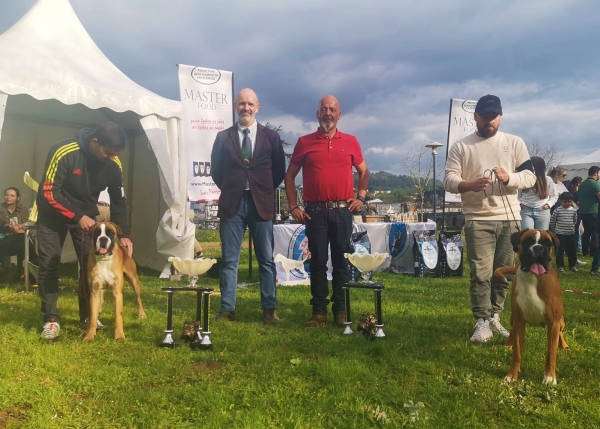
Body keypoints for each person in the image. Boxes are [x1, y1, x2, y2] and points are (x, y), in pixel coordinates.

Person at [443, 94, 536, 343]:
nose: (489, 121)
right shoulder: (461, 146)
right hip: (477, 218)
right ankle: (482, 321)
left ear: (500, 116)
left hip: (509, 219)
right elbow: (448, 179)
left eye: (493, 117)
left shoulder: (514, 142)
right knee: (480, 273)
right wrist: (469, 184)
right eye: (484, 117)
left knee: (504, 272)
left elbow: (530, 177)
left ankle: (495, 315)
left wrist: (509, 178)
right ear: (475, 117)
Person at [36, 122, 133, 340]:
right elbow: (49, 191)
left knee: (90, 266)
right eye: (107, 153)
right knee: (50, 265)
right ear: (95, 142)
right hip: (52, 215)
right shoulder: (64, 151)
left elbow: (119, 200)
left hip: (86, 218)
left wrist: (125, 234)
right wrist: (77, 216)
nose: (111, 158)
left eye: (115, 154)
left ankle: (89, 317)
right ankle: (51, 320)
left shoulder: (114, 163)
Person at [284, 95, 370, 328]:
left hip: (343, 211)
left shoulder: (351, 141)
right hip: (316, 212)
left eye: (332, 109)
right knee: (318, 262)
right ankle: (319, 312)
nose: (328, 113)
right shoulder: (304, 142)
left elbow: (364, 171)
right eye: (324, 109)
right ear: (317, 114)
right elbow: (289, 176)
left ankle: (341, 310)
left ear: (339, 115)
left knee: (342, 261)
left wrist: (361, 197)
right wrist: (294, 206)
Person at [210, 88, 286, 325]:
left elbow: (278, 171)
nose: (246, 108)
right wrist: (233, 187)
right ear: (236, 106)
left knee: (266, 260)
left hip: (261, 204)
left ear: (257, 107)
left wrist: (261, 189)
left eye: (250, 104)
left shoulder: (271, 138)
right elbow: (216, 171)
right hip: (232, 204)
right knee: (229, 260)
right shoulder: (223, 137)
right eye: (242, 104)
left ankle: (269, 309)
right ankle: (227, 309)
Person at [0, 187, 30, 281]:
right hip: (3, 238)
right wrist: (12, 229)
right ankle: (9, 270)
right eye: (6, 195)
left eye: (12, 196)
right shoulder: (1, 209)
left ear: (18, 198)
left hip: (19, 238)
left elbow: (27, 224)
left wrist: (19, 227)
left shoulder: (23, 209)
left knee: (23, 240)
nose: (8, 197)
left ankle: (19, 269)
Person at [519, 156, 551, 230]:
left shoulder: (547, 179)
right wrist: (519, 203)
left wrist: (549, 204)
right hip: (526, 209)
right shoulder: (524, 179)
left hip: (542, 209)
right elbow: (516, 193)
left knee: (542, 235)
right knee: (527, 234)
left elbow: (554, 195)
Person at [550, 192, 579, 273]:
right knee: (559, 251)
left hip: (570, 234)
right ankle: (560, 266)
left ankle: (572, 266)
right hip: (560, 234)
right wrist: (556, 229)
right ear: (561, 201)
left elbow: (575, 221)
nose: (567, 203)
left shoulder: (574, 211)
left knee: (572, 251)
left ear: (572, 201)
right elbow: (552, 221)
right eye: (564, 201)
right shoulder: (557, 210)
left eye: (569, 201)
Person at [577, 166, 600, 257]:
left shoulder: (582, 184)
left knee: (586, 232)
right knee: (595, 231)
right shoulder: (595, 183)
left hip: (583, 211)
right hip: (593, 210)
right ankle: (593, 252)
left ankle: (584, 251)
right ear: (595, 173)